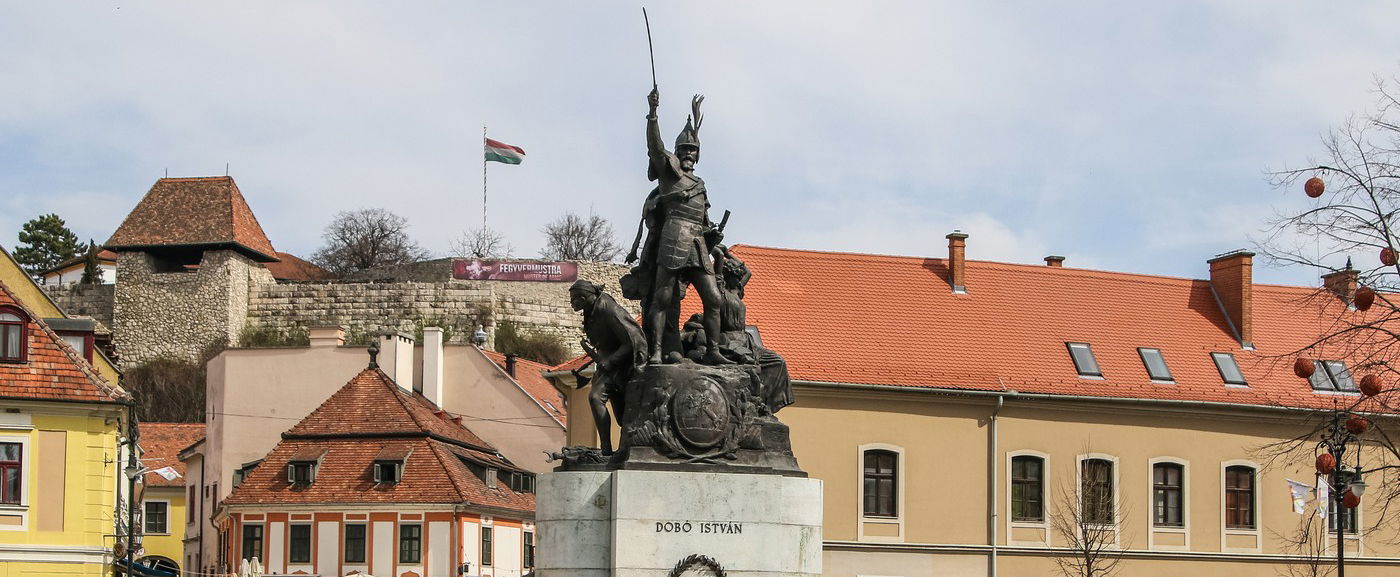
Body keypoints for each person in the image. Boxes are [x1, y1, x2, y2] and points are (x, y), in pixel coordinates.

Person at [631, 87, 730, 365]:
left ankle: (713, 350)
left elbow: (704, 222)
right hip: (674, 237)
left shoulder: (700, 185)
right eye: (684, 149)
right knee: (662, 299)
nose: (688, 153)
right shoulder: (668, 173)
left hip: (697, 243)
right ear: (677, 152)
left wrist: (714, 234)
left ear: (698, 155)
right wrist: (652, 114)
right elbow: (654, 146)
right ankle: (656, 351)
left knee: (713, 299)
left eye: (693, 150)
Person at [569, 280, 647, 455]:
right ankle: (606, 450)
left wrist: (611, 361)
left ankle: (617, 450)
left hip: (624, 366)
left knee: (622, 416)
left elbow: (631, 341)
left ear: (583, 297)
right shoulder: (591, 310)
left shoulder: (609, 310)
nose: (572, 303)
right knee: (598, 400)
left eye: (574, 300)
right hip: (608, 366)